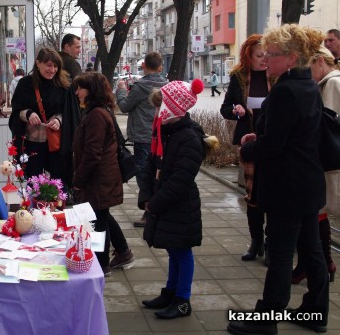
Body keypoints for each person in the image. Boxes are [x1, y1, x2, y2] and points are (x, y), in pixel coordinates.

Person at [227, 24, 329, 335]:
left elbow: (273, 147)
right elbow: (297, 135)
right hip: (308, 183)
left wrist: (249, 146)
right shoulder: (308, 85)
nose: (266, 60)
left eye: (272, 55)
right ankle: (316, 311)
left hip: (288, 186)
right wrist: (267, 136)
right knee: (312, 250)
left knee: (282, 254)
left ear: (291, 57)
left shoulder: (286, 90)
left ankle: (266, 320)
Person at [139, 79, 215, 320]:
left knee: (182, 252)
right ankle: (170, 292)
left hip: (180, 205)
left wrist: (155, 202)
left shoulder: (189, 138)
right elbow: (151, 163)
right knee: (173, 250)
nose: (157, 112)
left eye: (161, 106)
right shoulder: (166, 131)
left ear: (173, 107)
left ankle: (183, 300)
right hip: (165, 202)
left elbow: (180, 180)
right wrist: (146, 195)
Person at [72, 72, 134, 277]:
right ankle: (123, 252)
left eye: (80, 88)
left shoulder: (97, 115)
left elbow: (93, 153)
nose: (77, 92)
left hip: (98, 178)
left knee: (98, 222)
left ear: (91, 91)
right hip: (101, 177)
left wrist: (78, 180)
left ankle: (101, 264)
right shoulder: (96, 111)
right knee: (102, 216)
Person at [219, 34, 275, 262]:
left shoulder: (278, 76)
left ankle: (272, 242)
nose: (264, 59)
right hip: (249, 143)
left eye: (267, 55)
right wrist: (236, 110)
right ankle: (256, 241)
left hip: (273, 142)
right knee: (252, 193)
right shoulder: (239, 77)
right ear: (248, 57)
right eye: (259, 56)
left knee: (272, 193)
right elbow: (225, 108)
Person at [291, 46, 340, 285]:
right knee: (318, 214)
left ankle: (318, 265)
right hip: (326, 161)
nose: (309, 74)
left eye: (310, 68)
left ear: (320, 61)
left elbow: (326, 126)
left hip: (327, 163)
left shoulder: (331, 84)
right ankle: (319, 264)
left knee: (318, 213)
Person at [115, 51, 168, 227]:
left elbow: (124, 106)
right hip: (161, 136)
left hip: (143, 137)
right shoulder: (167, 85)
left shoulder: (139, 87)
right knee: (157, 174)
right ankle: (156, 209)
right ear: (160, 67)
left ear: (144, 65)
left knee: (144, 175)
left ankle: (150, 211)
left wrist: (121, 90)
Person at [9, 48, 70, 181]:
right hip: (33, 142)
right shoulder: (25, 84)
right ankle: (35, 203)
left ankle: (55, 203)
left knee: (57, 182)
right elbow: (17, 110)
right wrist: (28, 114)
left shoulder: (63, 85)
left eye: (55, 66)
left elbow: (68, 111)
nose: (52, 70)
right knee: (34, 182)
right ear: (38, 63)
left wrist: (59, 120)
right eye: (49, 65)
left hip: (55, 143)